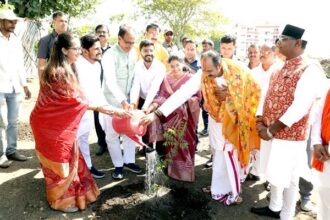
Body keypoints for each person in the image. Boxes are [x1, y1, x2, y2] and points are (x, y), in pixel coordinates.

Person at [141, 51, 261, 205]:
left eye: (209, 71)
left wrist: (231, 95)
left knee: (229, 155)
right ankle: (218, 189)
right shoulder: (202, 74)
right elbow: (182, 94)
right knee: (217, 152)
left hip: (235, 123)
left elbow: (256, 91)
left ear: (219, 65)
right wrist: (156, 114)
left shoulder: (239, 69)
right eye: (204, 70)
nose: (206, 74)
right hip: (215, 118)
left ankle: (234, 192)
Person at [30, 32, 124, 213]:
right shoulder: (55, 72)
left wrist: (108, 107)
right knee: (59, 163)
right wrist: (106, 109)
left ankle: (73, 195)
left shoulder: (70, 67)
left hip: (60, 124)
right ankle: (59, 201)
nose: (79, 53)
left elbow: (78, 97)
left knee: (70, 157)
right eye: (76, 49)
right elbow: (73, 101)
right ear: (64, 50)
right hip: (47, 125)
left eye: (80, 49)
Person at [251, 24, 326, 220]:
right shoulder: (278, 66)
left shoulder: (310, 68)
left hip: (289, 136)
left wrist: (272, 130)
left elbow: (300, 106)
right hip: (268, 131)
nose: (278, 43)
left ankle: (286, 214)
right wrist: (260, 122)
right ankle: (274, 207)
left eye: (283, 39)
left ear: (298, 43)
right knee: (273, 173)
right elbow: (264, 96)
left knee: (288, 177)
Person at [76, 35, 127, 179]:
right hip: (77, 109)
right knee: (77, 139)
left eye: (100, 48)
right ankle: (78, 171)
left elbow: (97, 91)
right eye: (96, 49)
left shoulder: (97, 65)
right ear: (85, 52)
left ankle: (88, 167)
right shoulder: (76, 66)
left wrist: (109, 108)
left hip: (93, 106)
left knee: (84, 137)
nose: (100, 51)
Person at [144, 55, 201, 182]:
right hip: (169, 117)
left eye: (177, 65)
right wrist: (151, 107)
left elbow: (198, 97)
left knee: (186, 143)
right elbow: (162, 96)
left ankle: (186, 173)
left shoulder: (191, 79)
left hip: (186, 118)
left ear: (183, 64)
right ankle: (172, 171)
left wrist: (185, 103)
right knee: (171, 143)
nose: (175, 68)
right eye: (172, 66)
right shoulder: (166, 79)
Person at [102, 24, 142, 180]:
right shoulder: (109, 55)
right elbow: (110, 81)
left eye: (133, 43)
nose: (130, 46)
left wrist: (132, 101)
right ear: (119, 39)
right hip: (111, 101)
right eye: (127, 42)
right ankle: (118, 165)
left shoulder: (133, 54)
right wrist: (122, 100)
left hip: (128, 102)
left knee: (129, 131)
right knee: (111, 135)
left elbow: (134, 80)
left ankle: (129, 161)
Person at [0, 7, 31, 168]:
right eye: (10, 21)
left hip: (14, 87)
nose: (13, 24)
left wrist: (25, 85)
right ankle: (1, 154)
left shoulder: (16, 39)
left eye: (15, 21)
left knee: (12, 121)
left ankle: (11, 150)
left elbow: (19, 64)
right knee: (1, 122)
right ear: (1, 22)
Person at [249, 43, 280, 181]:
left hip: (273, 116)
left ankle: (270, 179)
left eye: (266, 51)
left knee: (272, 148)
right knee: (256, 143)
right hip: (255, 113)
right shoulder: (254, 72)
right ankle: (255, 171)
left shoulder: (279, 70)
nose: (262, 54)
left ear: (274, 54)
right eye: (260, 51)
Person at [311, 84, 330, 220]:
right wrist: (316, 142)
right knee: (324, 195)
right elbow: (318, 116)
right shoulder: (327, 88)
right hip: (325, 152)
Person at [94, 24, 111, 156]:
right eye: (99, 32)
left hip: (111, 90)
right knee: (98, 117)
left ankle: (114, 141)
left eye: (104, 32)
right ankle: (102, 143)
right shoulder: (92, 52)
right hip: (97, 89)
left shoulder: (114, 50)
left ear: (109, 35)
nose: (101, 34)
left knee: (113, 116)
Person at [37, 11, 68, 79]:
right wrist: (42, 84)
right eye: (61, 21)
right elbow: (41, 66)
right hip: (54, 79)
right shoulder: (45, 40)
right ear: (53, 22)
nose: (64, 24)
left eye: (66, 21)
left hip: (70, 78)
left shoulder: (71, 40)